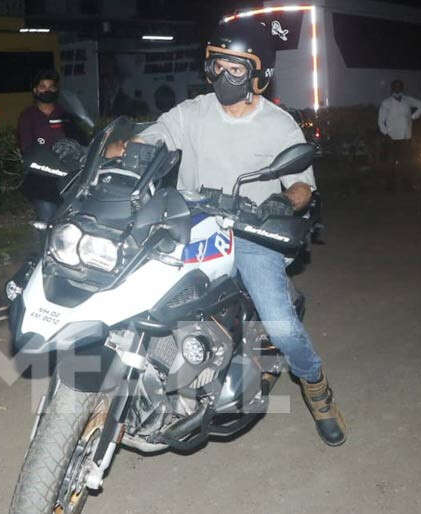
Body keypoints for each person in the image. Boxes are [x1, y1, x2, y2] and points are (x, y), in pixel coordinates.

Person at [130, 17, 347, 446]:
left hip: (250, 232)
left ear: (258, 74)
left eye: (236, 68)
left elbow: (301, 184)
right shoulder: (192, 112)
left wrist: (283, 201)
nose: (223, 76)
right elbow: (154, 136)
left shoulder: (278, 124)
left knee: (280, 326)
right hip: (188, 222)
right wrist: (119, 150)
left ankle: (317, 389)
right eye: (218, 65)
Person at [18, 70, 68, 222]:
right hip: (41, 178)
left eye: (51, 87)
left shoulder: (65, 114)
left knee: (66, 223)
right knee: (47, 220)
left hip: (67, 178)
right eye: (42, 86)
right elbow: (26, 148)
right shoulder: (28, 116)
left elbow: (79, 142)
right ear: (35, 90)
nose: (47, 90)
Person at [378, 79, 421, 191]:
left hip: (406, 136)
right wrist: (386, 133)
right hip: (392, 137)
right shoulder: (386, 103)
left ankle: (407, 185)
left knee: (406, 162)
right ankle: (390, 186)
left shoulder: (408, 100)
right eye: (395, 86)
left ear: (402, 88)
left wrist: (414, 116)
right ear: (392, 88)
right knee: (391, 162)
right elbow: (381, 121)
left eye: (399, 86)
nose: (397, 88)